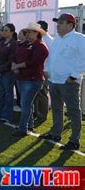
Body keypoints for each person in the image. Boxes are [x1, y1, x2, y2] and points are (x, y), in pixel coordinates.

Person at [40, 13, 85, 150]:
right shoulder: (57, 39)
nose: (57, 25)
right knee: (57, 108)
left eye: (61, 23)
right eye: (57, 22)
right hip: (54, 80)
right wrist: (47, 69)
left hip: (69, 82)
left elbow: (83, 60)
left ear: (70, 25)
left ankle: (74, 140)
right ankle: (55, 133)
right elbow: (51, 57)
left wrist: (73, 76)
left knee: (73, 111)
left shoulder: (80, 39)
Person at [11, 22, 49, 137]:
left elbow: (33, 62)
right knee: (27, 103)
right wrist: (14, 64)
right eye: (26, 32)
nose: (27, 34)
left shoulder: (41, 46)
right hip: (22, 77)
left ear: (36, 33)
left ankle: (23, 129)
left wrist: (17, 66)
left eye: (29, 32)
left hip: (32, 79)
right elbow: (15, 56)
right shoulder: (25, 44)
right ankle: (29, 125)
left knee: (25, 104)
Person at [0, 24, 18, 123]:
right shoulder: (1, 42)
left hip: (7, 73)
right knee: (1, 93)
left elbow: (12, 59)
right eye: (3, 30)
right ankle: (0, 114)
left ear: (12, 32)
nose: (4, 32)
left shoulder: (14, 43)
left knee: (8, 94)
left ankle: (7, 115)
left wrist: (1, 70)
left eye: (6, 30)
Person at [32, 20, 53, 123]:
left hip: (44, 71)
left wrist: (46, 70)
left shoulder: (48, 40)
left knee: (42, 93)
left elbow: (51, 58)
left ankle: (42, 115)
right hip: (38, 70)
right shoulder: (40, 38)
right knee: (36, 93)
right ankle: (36, 112)